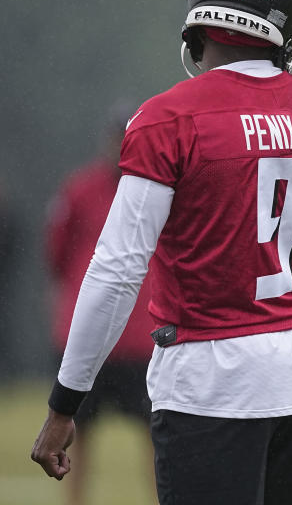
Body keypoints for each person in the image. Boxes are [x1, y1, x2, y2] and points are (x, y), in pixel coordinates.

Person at [30, 0, 292, 505]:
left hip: (207, 377)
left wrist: (65, 402)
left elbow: (115, 271)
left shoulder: (168, 118)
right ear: (290, 24)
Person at [45, 102, 155, 505]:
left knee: (155, 434)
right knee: (72, 434)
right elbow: (56, 252)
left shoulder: (153, 187)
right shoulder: (79, 189)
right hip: (88, 333)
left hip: (140, 337)